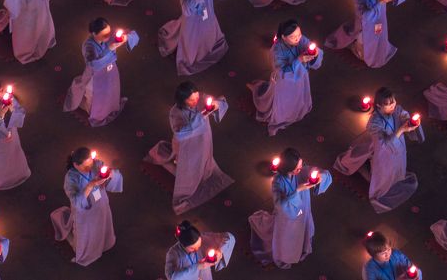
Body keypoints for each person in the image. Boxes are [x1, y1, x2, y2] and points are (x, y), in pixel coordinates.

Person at [146, 81, 233, 214]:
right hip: (187, 145)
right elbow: (180, 133)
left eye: (197, 97)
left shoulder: (201, 98)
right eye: (191, 100)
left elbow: (220, 102)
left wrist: (216, 105)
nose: (196, 101)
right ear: (183, 100)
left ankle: (203, 171)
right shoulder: (175, 112)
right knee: (189, 162)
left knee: (204, 156)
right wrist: (200, 117)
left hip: (204, 138)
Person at [334, 86, 424, 212]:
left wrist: (411, 122)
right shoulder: (374, 123)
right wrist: (402, 129)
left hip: (398, 148)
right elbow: (384, 145)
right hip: (383, 152)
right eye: (388, 104)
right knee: (382, 175)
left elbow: (404, 116)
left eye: (393, 101)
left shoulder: (397, 110)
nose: (392, 105)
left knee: (398, 167)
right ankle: (366, 172)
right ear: (379, 105)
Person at [248, 146, 332, 268]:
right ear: (289, 168)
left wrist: (320, 177)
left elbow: (323, 173)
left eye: (301, 165)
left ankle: (302, 246)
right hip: (287, 218)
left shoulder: (301, 171)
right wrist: (298, 190)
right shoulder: (278, 181)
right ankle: (286, 255)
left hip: (303, 209)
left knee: (303, 228)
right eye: (298, 168)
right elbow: (280, 206)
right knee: (288, 238)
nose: (301, 169)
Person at [249, 20, 324, 135]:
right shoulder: (277, 50)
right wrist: (299, 60)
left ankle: (296, 109)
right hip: (284, 82)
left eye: (299, 34)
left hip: (301, 77)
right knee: (285, 100)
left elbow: (310, 47)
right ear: (284, 37)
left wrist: (315, 54)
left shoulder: (301, 39)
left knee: (298, 95)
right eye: (293, 37)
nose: (298, 39)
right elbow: (281, 72)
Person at [159, 0, 232, 75]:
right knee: (191, 37)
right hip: (192, 20)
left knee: (208, 31)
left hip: (207, 13)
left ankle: (207, 48)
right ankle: (192, 54)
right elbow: (186, 8)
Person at [51, 147, 122, 266]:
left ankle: (104, 244)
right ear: (76, 165)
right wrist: (91, 185)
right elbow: (76, 202)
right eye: (86, 166)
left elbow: (111, 176)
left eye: (91, 164)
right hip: (85, 211)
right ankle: (86, 252)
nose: (90, 168)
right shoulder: (71, 178)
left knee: (102, 224)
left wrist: (110, 175)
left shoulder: (96, 164)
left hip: (101, 204)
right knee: (87, 232)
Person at [64, 17, 136, 126]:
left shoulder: (107, 35)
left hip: (111, 70)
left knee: (111, 89)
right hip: (96, 75)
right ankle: (94, 112)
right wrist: (109, 49)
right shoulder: (88, 45)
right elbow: (93, 64)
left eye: (109, 32)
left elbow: (132, 34)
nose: (109, 36)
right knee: (95, 94)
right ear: (94, 33)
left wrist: (126, 38)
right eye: (104, 35)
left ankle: (109, 107)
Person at [325, 0, 403, 68]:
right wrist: (380, 3)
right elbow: (364, 15)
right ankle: (360, 52)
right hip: (365, 26)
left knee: (379, 36)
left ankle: (377, 51)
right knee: (365, 42)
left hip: (380, 20)